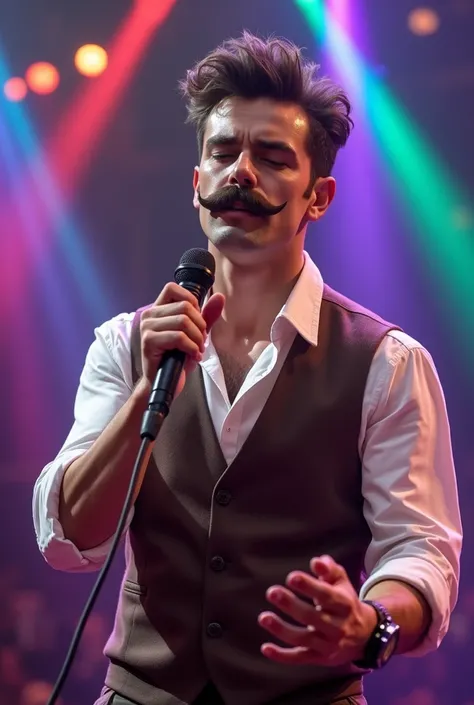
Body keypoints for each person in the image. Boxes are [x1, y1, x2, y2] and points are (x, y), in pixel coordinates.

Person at [33, 32, 462, 705]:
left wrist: (367, 624)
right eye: (223, 152)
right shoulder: (126, 343)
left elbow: (419, 549)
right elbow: (67, 539)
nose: (241, 173)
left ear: (317, 197)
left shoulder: (387, 361)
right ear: (197, 182)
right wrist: (148, 391)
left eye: (271, 158)